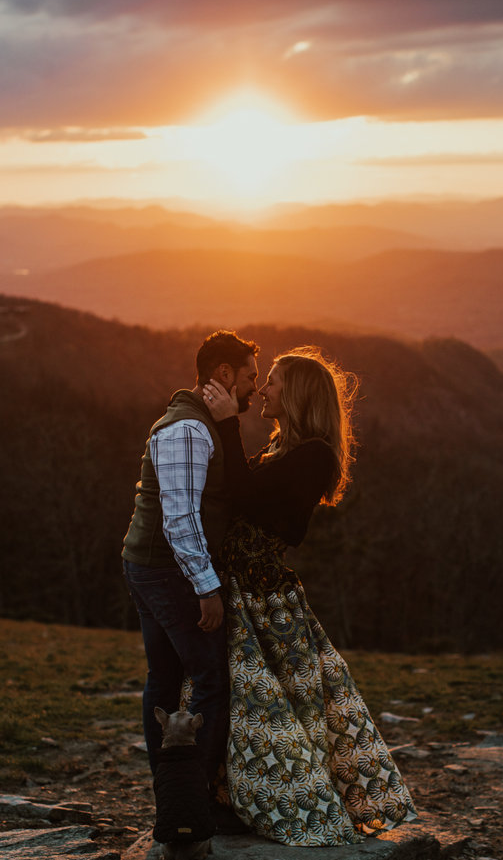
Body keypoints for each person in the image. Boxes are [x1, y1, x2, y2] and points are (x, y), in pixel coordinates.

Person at [201, 346, 417, 846]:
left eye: (273, 381)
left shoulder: (313, 453)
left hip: (262, 598)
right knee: (246, 703)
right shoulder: (283, 449)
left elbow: (245, 496)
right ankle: (233, 799)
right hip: (243, 588)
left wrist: (228, 423)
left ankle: (284, 805)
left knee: (273, 707)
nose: (263, 389)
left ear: (296, 393)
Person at [121, 330, 259, 824]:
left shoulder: (196, 424)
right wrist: (207, 587)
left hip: (151, 567)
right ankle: (190, 799)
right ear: (224, 374)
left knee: (165, 676)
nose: (254, 388)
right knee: (209, 679)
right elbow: (180, 518)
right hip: (167, 572)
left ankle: (174, 795)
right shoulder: (188, 430)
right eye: (249, 376)